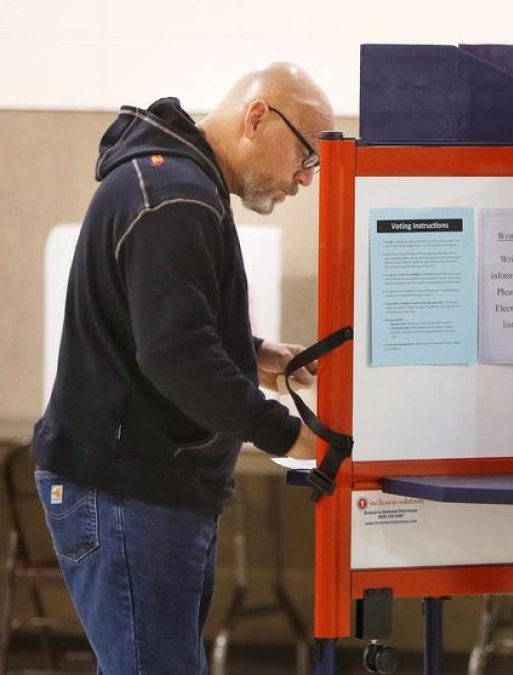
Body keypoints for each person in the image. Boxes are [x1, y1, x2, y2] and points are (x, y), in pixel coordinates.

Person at [30, 63, 333, 673]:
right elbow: (176, 356)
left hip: (141, 490)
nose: (304, 179)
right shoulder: (175, 197)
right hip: (127, 493)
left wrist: (251, 354)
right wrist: (289, 435)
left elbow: (159, 326)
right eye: (306, 155)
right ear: (257, 117)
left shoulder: (172, 183)